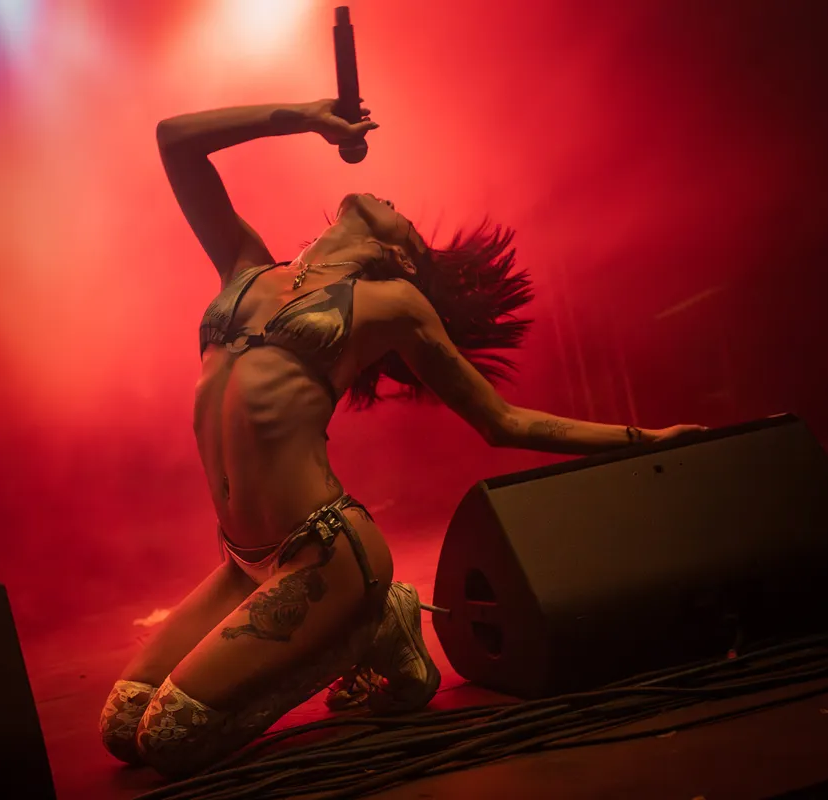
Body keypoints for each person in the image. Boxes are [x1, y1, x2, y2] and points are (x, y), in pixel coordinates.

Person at [98, 99, 705, 778]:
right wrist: (308, 117)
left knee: (168, 739)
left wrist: (642, 438)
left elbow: (502, 422)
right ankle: (370, 627)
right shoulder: (245, 264)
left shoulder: (392, 305)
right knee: (121, 727)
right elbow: (175, 140)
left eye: (406, 219)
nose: (391, 201)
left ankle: (373, 626)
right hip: (245, 561)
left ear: (403, 259)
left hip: (322, 551)